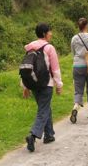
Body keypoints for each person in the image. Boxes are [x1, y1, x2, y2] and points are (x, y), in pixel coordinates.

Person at [22, 23, 63, 152]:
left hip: (34, 84)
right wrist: (59, 84)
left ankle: (49, 135)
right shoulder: (49, 48)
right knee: (43, 110)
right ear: (45, 33)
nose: (51, 34)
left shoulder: (30, 48)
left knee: (44, 107)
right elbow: (55, 68)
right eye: (50, 31)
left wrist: (25, 86)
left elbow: (26, 67)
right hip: (46, 84)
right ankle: (33, 135)